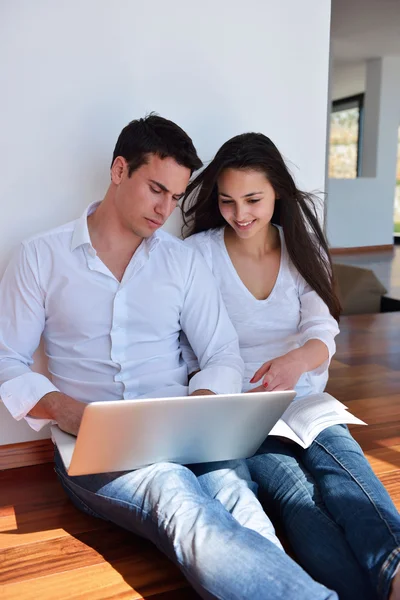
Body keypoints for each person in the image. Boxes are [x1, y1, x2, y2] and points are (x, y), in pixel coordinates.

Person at [0, 116, 338, 600]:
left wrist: (198, 405)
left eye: (176, 198)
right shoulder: (40, 258)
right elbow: (6, 360)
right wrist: (65, 410)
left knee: (240, 499)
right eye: (156, 189)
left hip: (184, 432)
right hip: (96, 447)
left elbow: (221, 352)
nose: (165, 210)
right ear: (119, 170)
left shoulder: (182, 262)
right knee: (176, 499)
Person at [181, 131, 400, 600]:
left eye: (253, 200)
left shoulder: (300, 248)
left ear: (276, 191)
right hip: (241, 412)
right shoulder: (198, 255)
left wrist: (295, 361)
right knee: (298, 500)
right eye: (227, 201)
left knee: (347, 471)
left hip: (304, 400)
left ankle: (395, 571)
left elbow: (323, 333)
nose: (241, 215)